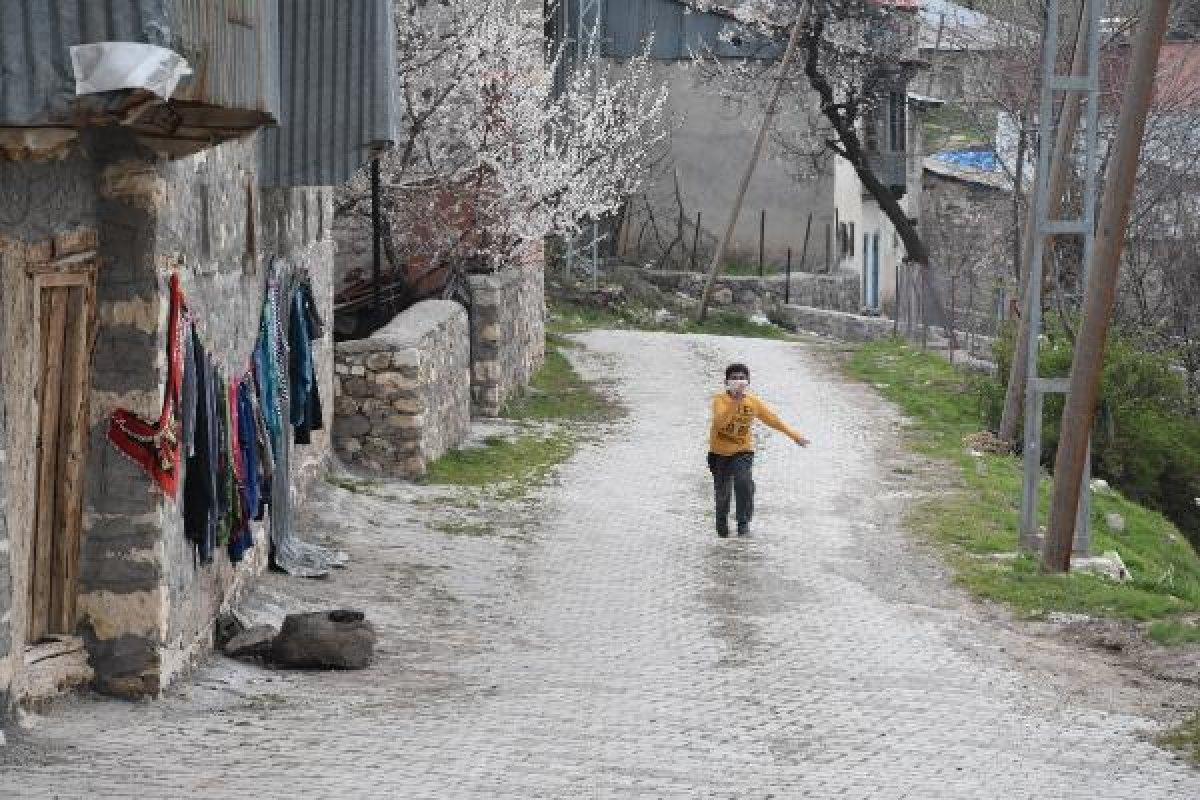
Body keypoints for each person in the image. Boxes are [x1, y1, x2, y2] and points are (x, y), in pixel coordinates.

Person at [707, 362, 809, 538]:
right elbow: (720, 423)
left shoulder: (753, 402)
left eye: (742, 378)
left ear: (748, 381)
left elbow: (773, 420)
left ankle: (743, 523)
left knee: (744, 482)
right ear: (726, 382)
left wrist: (794, 436)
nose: (738, 381)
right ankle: (721, 525)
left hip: (742, 451)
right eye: (734, 378)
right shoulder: (719, 400)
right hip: (719, 453)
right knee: (723, 495)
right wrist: (735, 402)